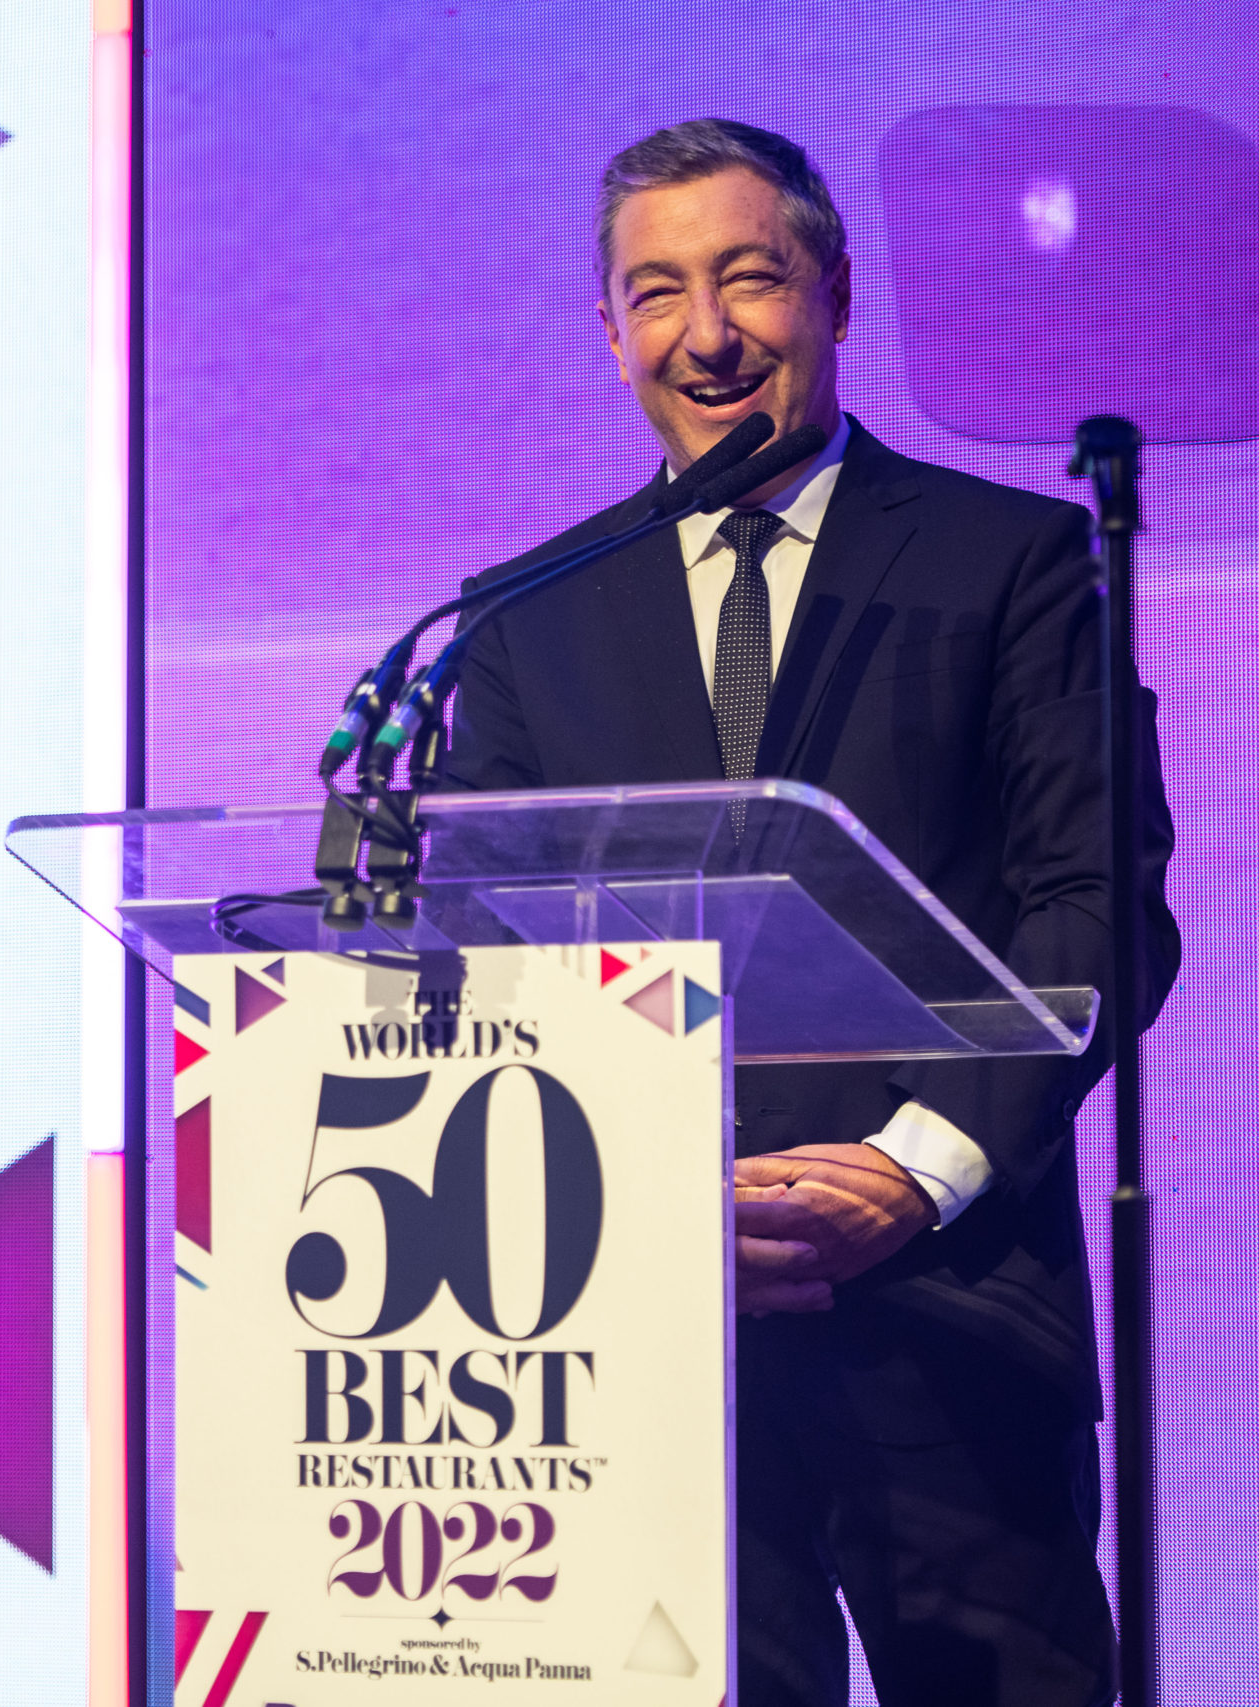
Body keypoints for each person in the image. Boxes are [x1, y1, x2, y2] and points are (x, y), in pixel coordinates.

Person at [447, 119, 1179, 1707]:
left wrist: (913, 1172)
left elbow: (1096, 908)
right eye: (657, 293)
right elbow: (486, 963)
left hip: (953, 1317)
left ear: (836, 294)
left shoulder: (1012, 561)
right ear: (610, 332)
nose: (706, 334)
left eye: (751, 279)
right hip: (640, 1343)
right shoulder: (521, 620)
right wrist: (642, 1206)